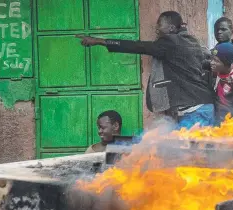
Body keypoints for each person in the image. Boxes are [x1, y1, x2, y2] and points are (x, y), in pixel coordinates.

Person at [77, 11, 215, 129]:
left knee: (193, 154)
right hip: (200, 105)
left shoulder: (170, 43)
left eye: (160, 25)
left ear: (172, 28)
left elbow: (138, 46)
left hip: (195, 110)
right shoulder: (189, 41)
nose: (157, 29)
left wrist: (99, 41)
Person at [210, 43, 233, 123]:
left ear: (226, 63)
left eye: (216, 61)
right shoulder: (217, 70)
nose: (211, 63)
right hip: (215, 117)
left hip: (227, 122)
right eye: (212, 59)